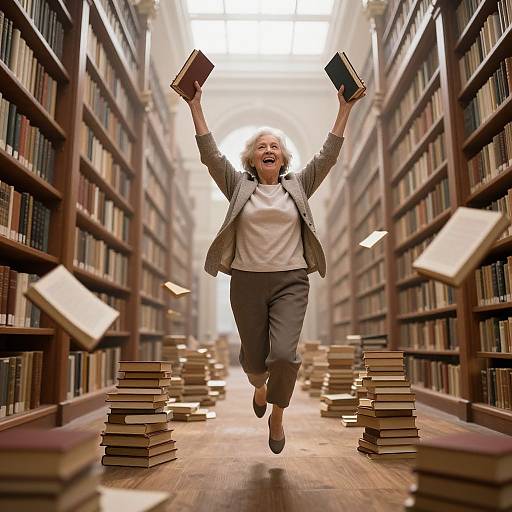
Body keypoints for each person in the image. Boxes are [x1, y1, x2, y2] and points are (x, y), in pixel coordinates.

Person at [185, 80, 365, 454]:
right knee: (255, 359)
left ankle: (278, 415)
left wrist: (344, 108)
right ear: (252, 159)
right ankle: (259, 386)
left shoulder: (298, 186)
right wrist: (195, 106)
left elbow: (327, 156)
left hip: (291, 281)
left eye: (275, 147)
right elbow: (211, 156)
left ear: (283, 159)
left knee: (283, 354)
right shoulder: (237, 186)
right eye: (262, 147)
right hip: (246, 282)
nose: (269, 150)